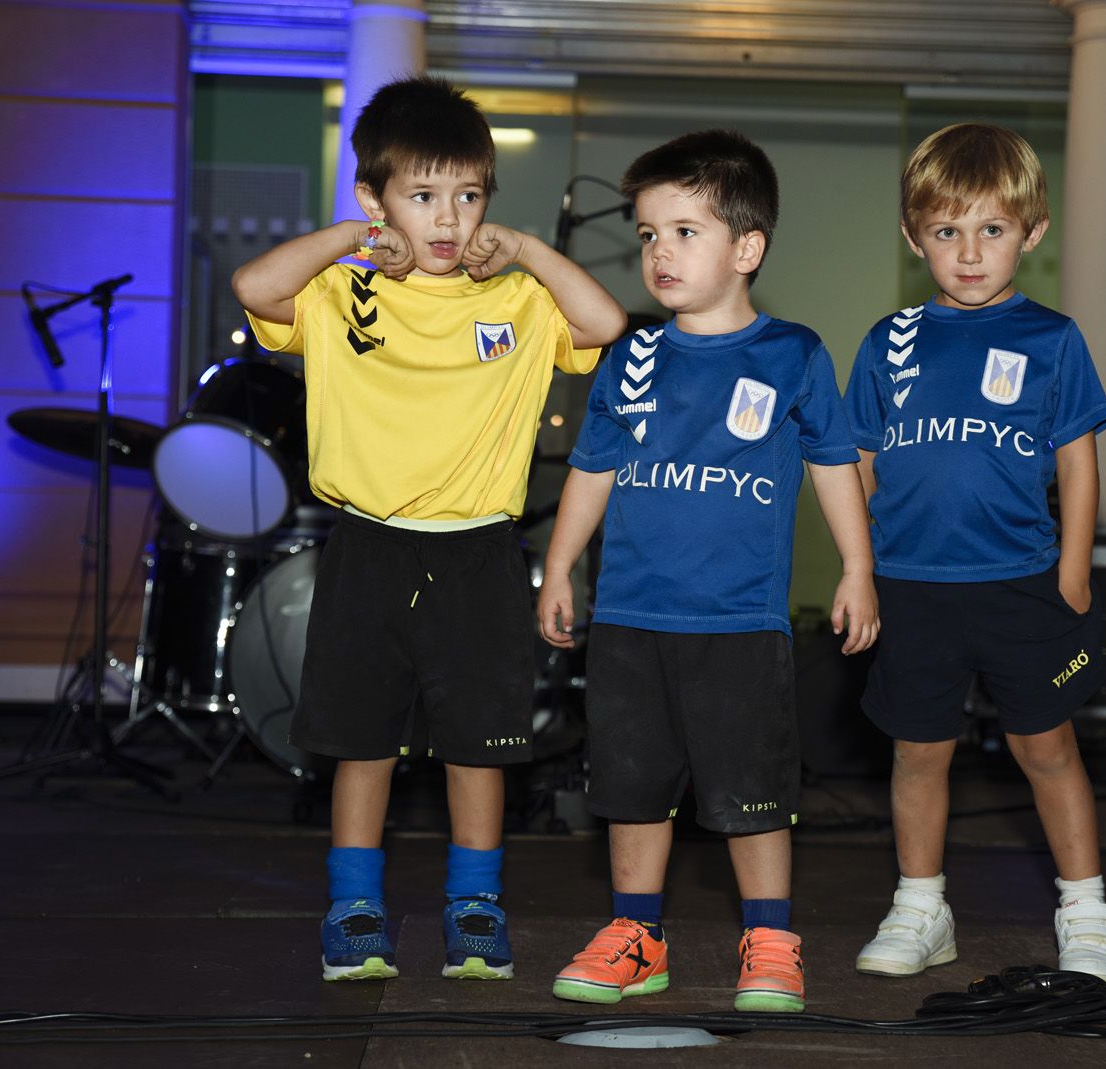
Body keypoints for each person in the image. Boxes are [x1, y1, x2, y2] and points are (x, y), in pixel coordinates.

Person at [232, 75, 625, 983]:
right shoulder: (341, 292)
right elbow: (255, 284)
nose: (447, 219)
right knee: (362, 742)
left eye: (469, 196)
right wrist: (353, 237)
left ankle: (475, 904)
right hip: (367, 547)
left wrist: (525, 249)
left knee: (479, 745)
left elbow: (603, 320)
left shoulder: (518, 302)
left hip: (480, 553)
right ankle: (353, 907)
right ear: (376, 199)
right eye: (421, 195)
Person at [537, 129, 879, 1014]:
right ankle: (636, 935)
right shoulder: (632, 358)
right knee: (632, 787)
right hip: (630, 619)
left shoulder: (794, 354)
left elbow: (834, 463)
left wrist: (858, 567)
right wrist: (560, 565)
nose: (660, 251)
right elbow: (593, 469)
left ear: (747, 248)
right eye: (649, 234)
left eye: (685, 232)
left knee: (751, 792)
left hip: (738, 623)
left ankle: (769, 938)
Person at [843, 122, 1106, 983]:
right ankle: (921, 906)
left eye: (992, 229)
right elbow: (857, 461)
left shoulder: (1053, 338)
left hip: (1021, 584)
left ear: (1032, 232)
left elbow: (1078, 462)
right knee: (918, 752)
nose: (969, 253)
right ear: (914, 236)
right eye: (947, 230)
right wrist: (864, 569)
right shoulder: (888, 341)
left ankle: (1087, 912)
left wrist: (1072, 571)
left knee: (1047, 749)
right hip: (911, 587)